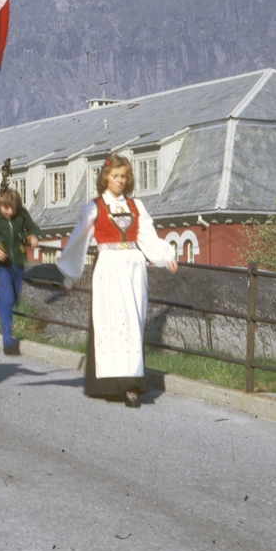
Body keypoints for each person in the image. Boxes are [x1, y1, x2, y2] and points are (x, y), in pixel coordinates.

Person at [56, 155, 178, 406]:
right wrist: (70, 277)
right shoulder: (95, 207)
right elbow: (78, 240)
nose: (119, 181)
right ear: (105, 179)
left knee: (132, 323)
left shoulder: (136, 206)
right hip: (109, 267)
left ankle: (131, 383)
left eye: (123, 176)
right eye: (115, 176)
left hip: (133, 267)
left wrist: (166, 255)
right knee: (111, 323)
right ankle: (114, 384)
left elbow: (147, 236)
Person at [0, 187, 41, 356]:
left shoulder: (22, 214)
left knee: (14, 298)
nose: (9, 211)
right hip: (0, 264)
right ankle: (7, 339)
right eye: (5, 208)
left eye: (13, 207)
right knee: (7, 299)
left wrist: (33, 236)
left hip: (18, 262)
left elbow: (33, 228)